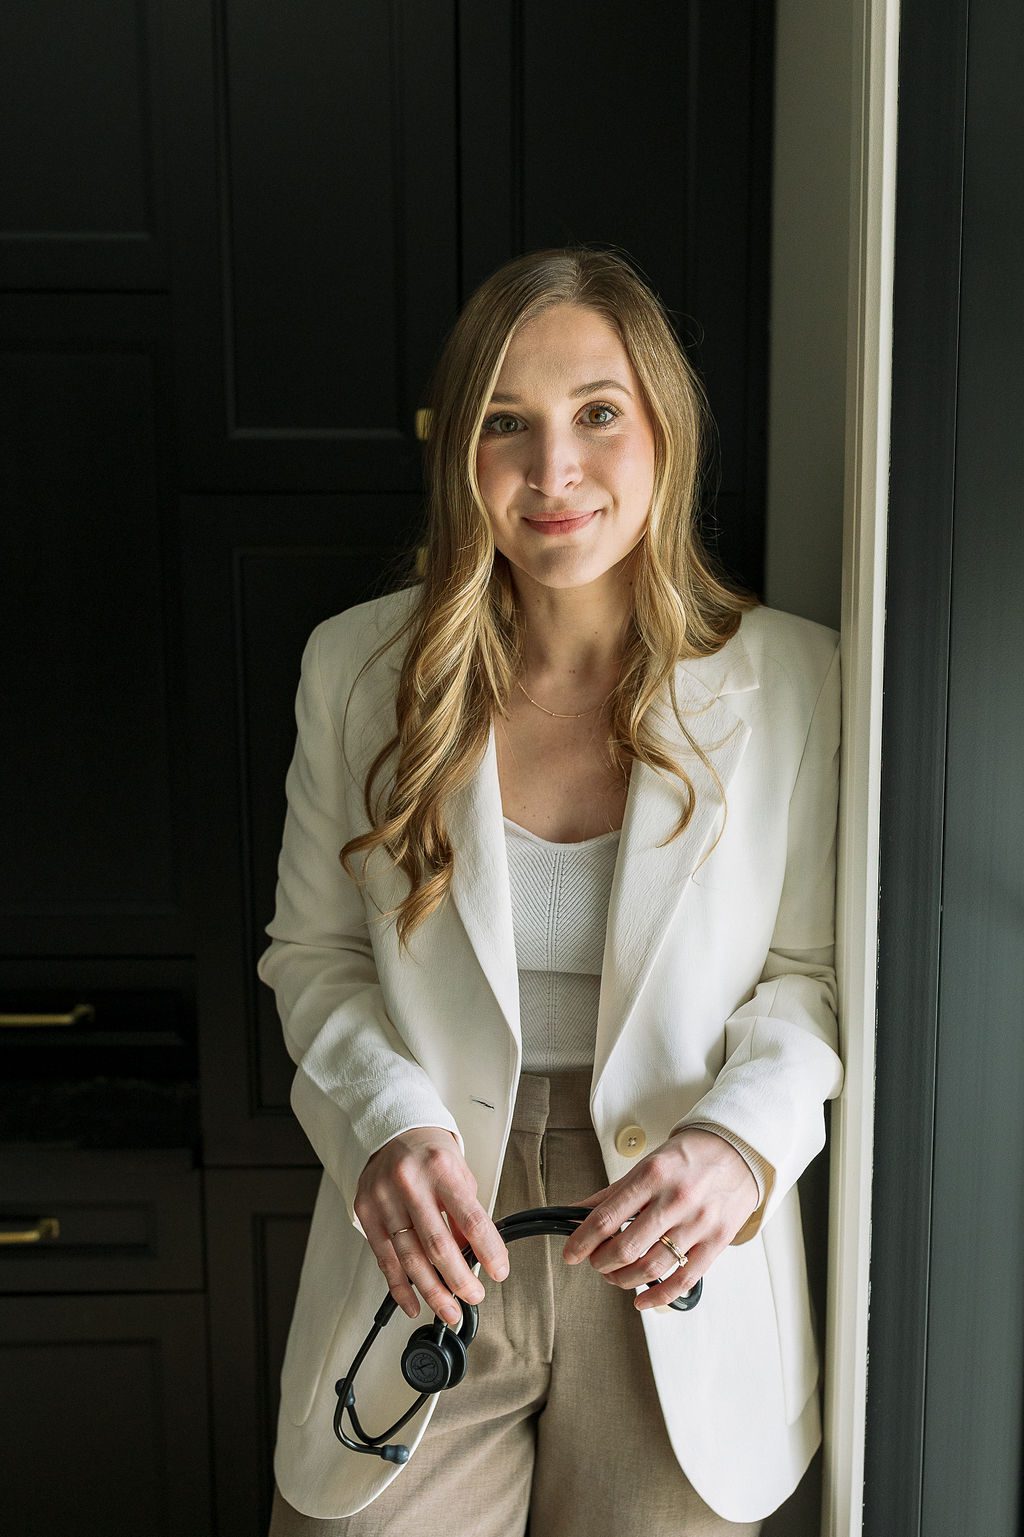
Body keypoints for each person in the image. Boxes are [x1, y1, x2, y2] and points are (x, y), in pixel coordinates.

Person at [258, 246, 843, 1536]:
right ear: (459, 452)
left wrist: (741, 1143)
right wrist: (384, 1124)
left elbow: (811, 977)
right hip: (425, 1233)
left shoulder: (802, 682)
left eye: (597, 416)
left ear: (665, 436)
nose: (554, 473)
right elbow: (310, 955)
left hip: (675, 1257)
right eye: (504, 425)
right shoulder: (356, 669)